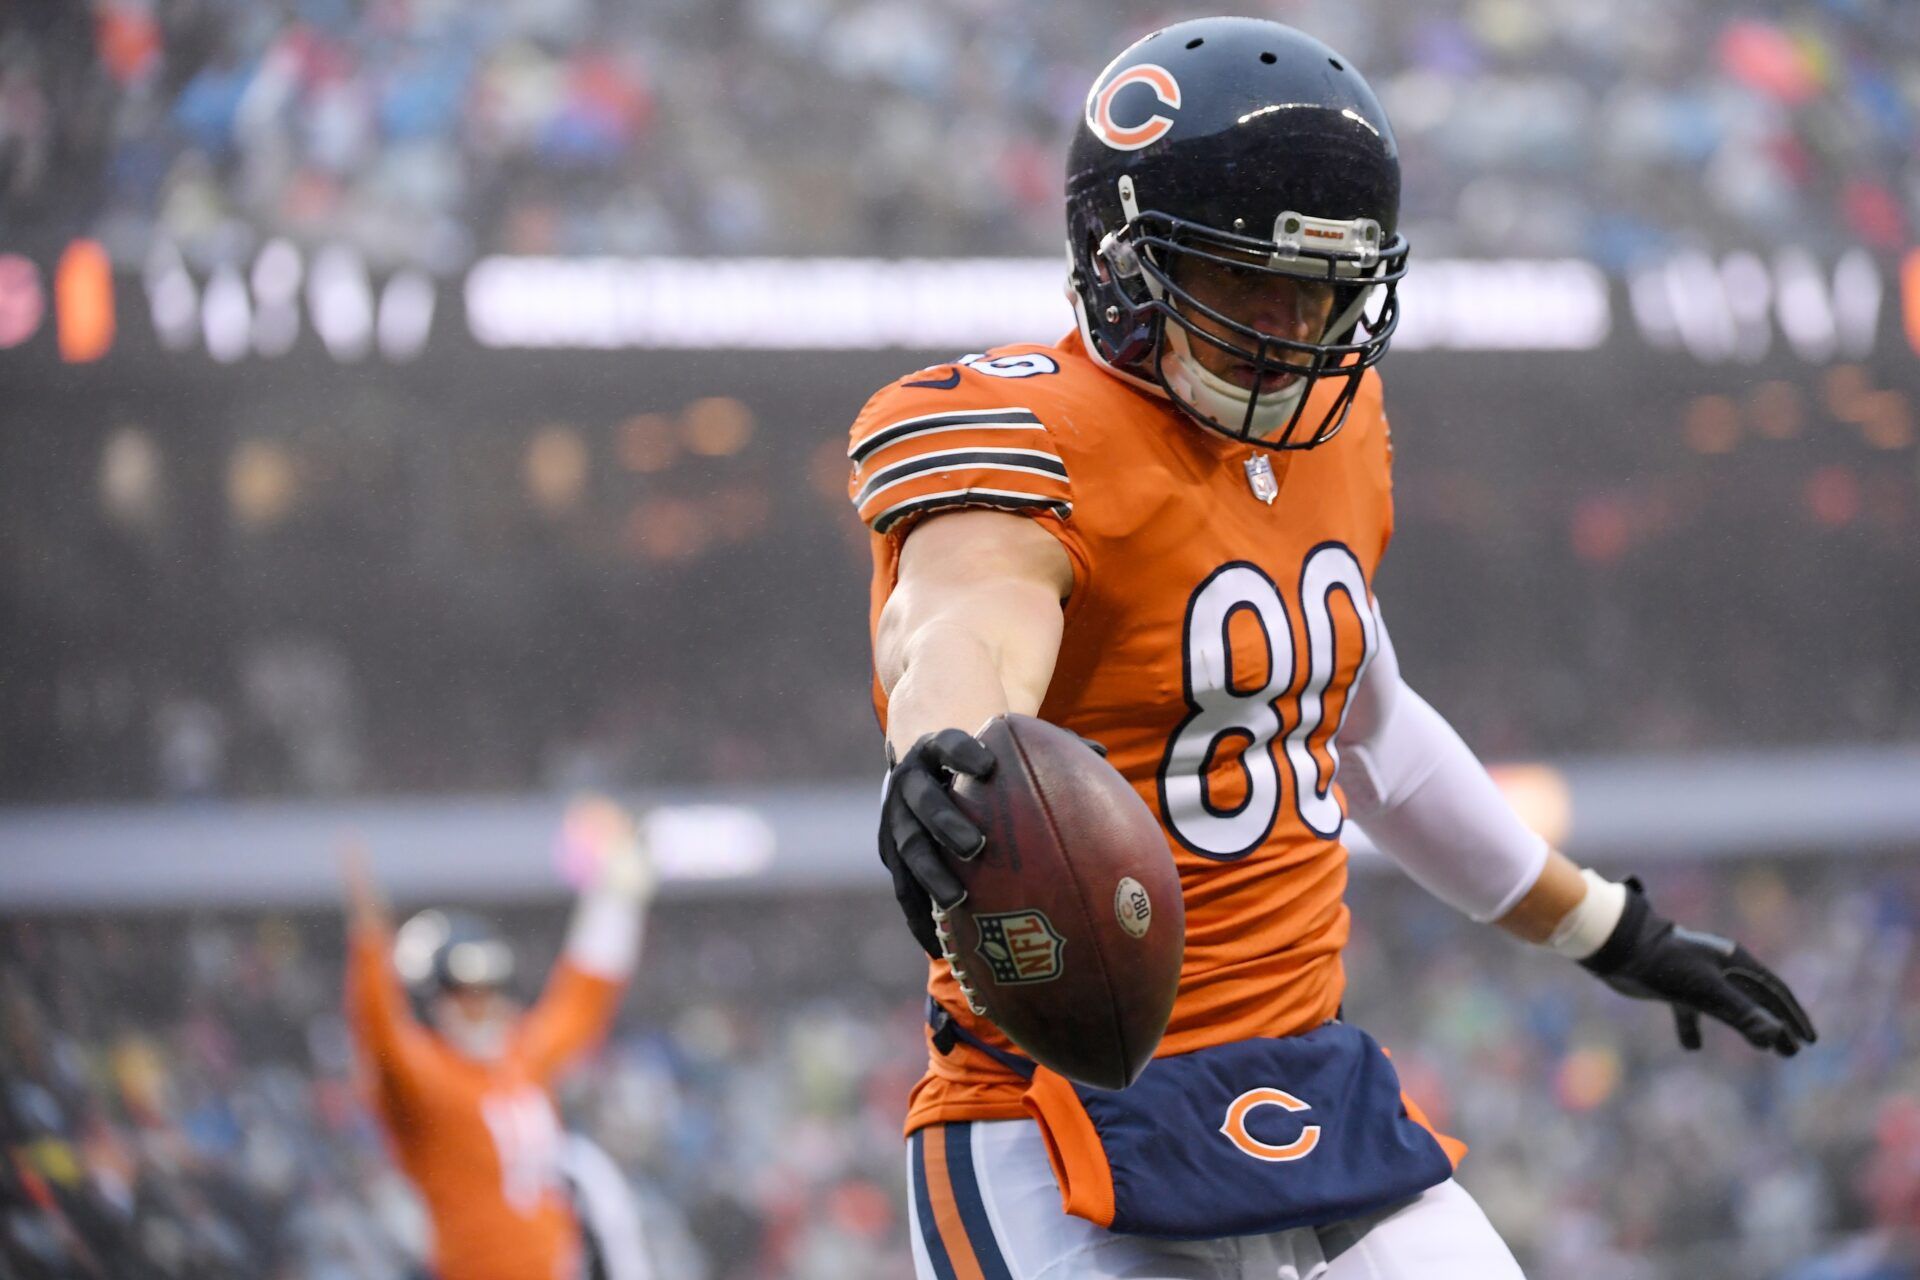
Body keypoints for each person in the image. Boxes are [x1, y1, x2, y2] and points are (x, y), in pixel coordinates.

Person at [850, 17, 1816, 1279]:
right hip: (1056, 1103)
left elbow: (1375, 734)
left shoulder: (1340, 425)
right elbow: (964, 621)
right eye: (1247, 280)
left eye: (1323, 287)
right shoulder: (1023, 428)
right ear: (1123, 262)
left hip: (1308, 1075)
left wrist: (1610, 931)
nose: (1292, 328)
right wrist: (946, 753)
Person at [342, 825, 654, 1280]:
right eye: (466, 993)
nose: (484, 1004)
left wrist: (614, 898)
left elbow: (582, 996)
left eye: (490, 989)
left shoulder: (518, 1057)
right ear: (431, 1001)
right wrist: (370, 938)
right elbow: (381, 1039)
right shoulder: (428, 1079)